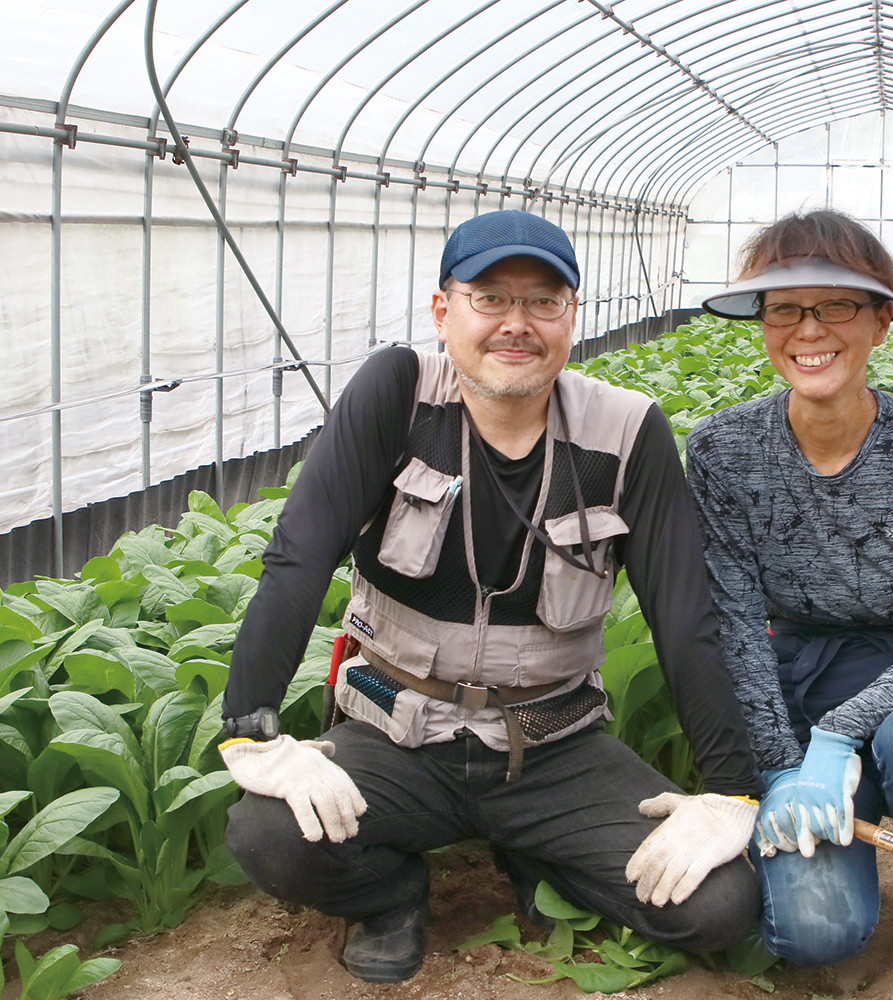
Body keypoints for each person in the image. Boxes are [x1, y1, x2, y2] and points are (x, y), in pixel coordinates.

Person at [216, 209, 763, 983]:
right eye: (490, 298)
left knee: (718, 902)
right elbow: (298, 556)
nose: (518, 324)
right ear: (445, 311)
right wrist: (252, 730)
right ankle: (392, 892)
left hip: (551, 741)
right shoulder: (399, 394)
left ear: (572, 316)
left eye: (544, 302)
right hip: (393, 724)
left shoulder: (627, 430)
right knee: (270, 834)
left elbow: (684, 618)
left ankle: (538, 853)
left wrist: (731, 790)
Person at [685, 209, 893, 995]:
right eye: (785, 308)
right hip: (798, 683)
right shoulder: (724, 450)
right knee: (814, 933)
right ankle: (846, 828)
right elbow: (733, 620)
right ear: (764, 325)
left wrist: (837, 739)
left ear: (879, 324)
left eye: (836, 305)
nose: (810, 330)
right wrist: (777, 767)